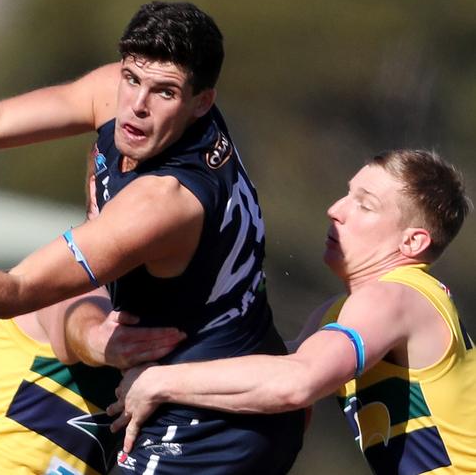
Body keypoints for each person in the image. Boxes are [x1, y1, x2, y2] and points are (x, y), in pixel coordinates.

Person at [0, 0, 305, 475]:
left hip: (214, 424)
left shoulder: (160, 203)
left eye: (164, 92)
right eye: (132, 78)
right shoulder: (124, 98)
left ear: (201, 102)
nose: (137, 106)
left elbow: (18, 291)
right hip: (208, 390)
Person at [108, 149, 476, 475]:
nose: (335, 210)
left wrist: (160, 382)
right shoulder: (340, 312)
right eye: (347, 193)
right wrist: (166, 349)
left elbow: (296, 383)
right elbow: (265, 373)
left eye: (364, 205)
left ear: (412, 241)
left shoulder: (394, 298)